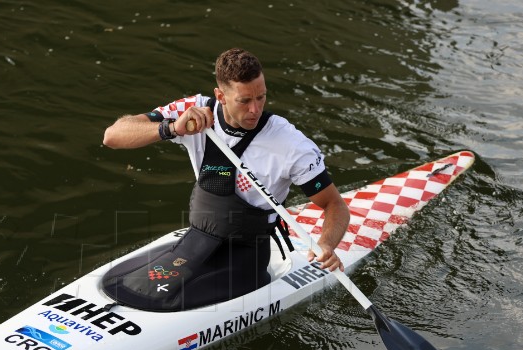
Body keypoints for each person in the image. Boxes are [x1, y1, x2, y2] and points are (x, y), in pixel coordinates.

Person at [101, 48, 350, 311]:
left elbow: (335, 205)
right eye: (244, 100)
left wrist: (326, 244)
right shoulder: (194, 111)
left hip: (245, 255)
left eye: (261, 97)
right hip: (196, 243)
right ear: (220, 96)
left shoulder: (289, 144)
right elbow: (112, 136)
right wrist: (172, 128)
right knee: (120, 285)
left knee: (155, 298)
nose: (255, 109)